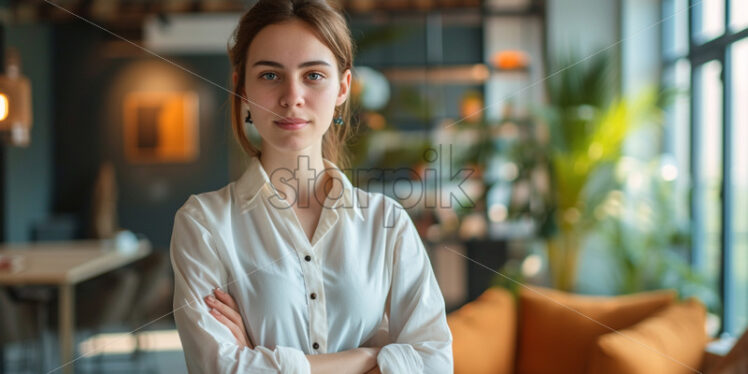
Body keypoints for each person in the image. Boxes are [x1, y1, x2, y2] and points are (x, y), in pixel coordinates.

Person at [169, 1, 453, 373]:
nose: (292, 97)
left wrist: (260, 359)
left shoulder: (387, 223)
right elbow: (218, 368)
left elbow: (435, 363)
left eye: (313, 75)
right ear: (241, 88)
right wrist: (371, 356)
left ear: (343, 87)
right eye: (270, 75)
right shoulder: (204, 224)